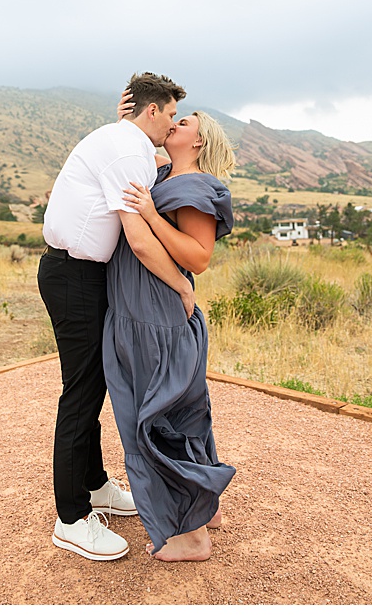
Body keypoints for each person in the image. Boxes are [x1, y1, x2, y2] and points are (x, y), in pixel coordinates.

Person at [40, 72, 195, 561]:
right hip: (74, 277)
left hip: (80, 274)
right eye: (170, 114)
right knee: (81, 394)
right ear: (152, 111)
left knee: (94, 384)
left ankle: (95, 485)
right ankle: (71, 519)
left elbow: (146, 159)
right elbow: (141, 240)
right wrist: (181, 286)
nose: (172, 124)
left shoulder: (122, 139)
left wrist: (129, 121)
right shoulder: (128, 150)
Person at [103, 97, 237, 562]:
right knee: (180, 409)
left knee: (156, 413)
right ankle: (204, 508)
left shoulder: (194, 185)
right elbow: (137, 144)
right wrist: (128, 119)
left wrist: (153, 216)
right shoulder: (165, 173)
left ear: (197, 141)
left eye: (183, 122)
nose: (173, 123)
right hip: (146, 305)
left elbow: (198, 257)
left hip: (154, 311)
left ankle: (191, 536)